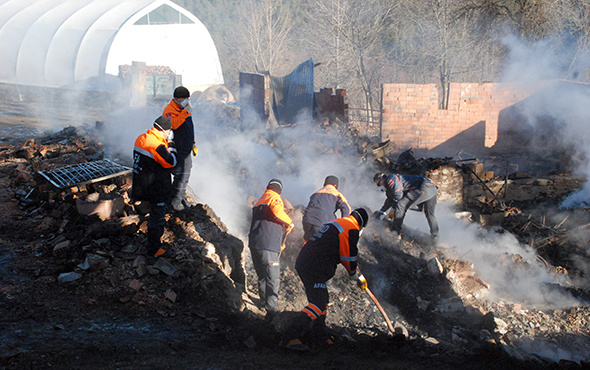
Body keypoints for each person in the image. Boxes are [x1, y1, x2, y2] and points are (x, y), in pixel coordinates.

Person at [279, 208, 369, 351]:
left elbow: (343, 252)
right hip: (314, 266)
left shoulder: (338, 223)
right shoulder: (351, 228)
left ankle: (320, 337)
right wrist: (355, 276)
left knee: (322, 301)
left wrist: (358, 274)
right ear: (362, 225)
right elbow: (349, 257)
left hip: (307, 262)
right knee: (318, 303)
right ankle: (289, 338)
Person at [248, 179, 294, 321]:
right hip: (268, 245)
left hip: (255, 244)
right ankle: (272, 311)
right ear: (279, 189)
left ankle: (263, 302)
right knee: (273, 278)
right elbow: (277, 211)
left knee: (262, 275)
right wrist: (289, 222)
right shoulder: (274, 198)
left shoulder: (260, 200)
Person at [131, 116, 177, 258]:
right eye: (169, 130)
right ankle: (154, 249)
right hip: (155, 188)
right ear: (163, 130)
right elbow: (171, 162)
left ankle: (156, 237)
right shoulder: (157, 146)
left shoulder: (142, 138)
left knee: (155, 215)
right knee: (157, 218)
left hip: (141, 185)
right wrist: (172, 145)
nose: (170, 132)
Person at [373, 172, 439, 240]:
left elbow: (398, 196)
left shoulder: (390, 179)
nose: (379, 186)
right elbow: (387, 204)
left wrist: (391, 213)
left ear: (382, 179)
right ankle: (435, 237)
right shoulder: (390, 189)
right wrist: (377, 219)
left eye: (378, 184)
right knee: (430, 214)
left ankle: (395, 233)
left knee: (400, 205)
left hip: (423, 188)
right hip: (432, 189)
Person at [163, 86, 197, 211]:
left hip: (186, 146)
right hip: (177, 146)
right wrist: (185, 113)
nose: (186, 101)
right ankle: (175, 201)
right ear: (176, 99)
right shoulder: (169, 110)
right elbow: (174, 125)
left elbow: (189, 127)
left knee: (186, 173)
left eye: (187, 98)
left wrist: (193, 143)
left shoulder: (186, 109)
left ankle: (181, 198)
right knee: (181, 174)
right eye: (183, 99)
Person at [302, 175, 351, 242]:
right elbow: (346, 209)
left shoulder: (316, 193)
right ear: (335, 186)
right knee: (322, 245)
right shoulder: (337, 194)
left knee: (308, 243)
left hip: (307, 221)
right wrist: (344, 226)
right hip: (321, 223)